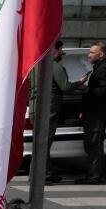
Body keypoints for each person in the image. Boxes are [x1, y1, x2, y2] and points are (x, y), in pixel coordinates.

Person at [28, 40, 69, 184]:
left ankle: (47, 173)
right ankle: (38, 177)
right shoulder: (53, 65)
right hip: (48, 110)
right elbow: (65, 86)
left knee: (39, 144)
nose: (62, 52)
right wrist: (80, 83)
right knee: (44, 145)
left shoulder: (35, 65)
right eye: (60, 49)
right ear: (53, 50)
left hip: (35, 109)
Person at [76, 41, 106, 184]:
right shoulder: (98, 67)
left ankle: (94, 176)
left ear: (101, 54)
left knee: (94, 144)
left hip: (97, 113)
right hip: (93, 111)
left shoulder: (104, 68)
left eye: (92, 52)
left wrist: (88, 90)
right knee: (92, 145)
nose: (89, 55)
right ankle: (92, 174)